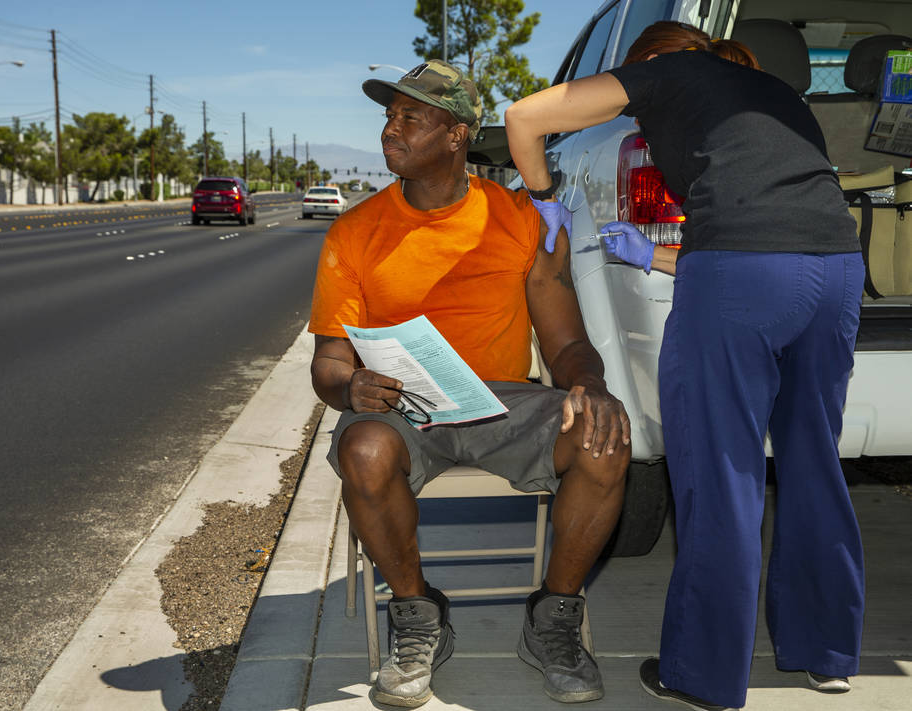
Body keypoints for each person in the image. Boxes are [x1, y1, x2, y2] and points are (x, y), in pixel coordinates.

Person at [505, 20, 865, 711]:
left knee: (721, 475)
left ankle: (702, 673)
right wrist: (651, 256)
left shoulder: (665, 74)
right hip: (835, 273)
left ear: (648, 64)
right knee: (813, 460)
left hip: (742, 281)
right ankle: (824, 652)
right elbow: (762, 235)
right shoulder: (774, 92)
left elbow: (524, 117)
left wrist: (544, 198)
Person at [308, 59, 631, 708]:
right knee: (364, 451)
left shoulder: (517, 218)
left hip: (500, 402)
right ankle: (418, 613)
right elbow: (328, 363)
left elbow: (564, 340)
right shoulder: (354, 233)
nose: (390, 131)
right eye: (388, 118)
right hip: (403, 407)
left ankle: (552, 618)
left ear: (457, 134)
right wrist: (352, 390)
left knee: (604, 437)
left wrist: (590, 383)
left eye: (410, 118)